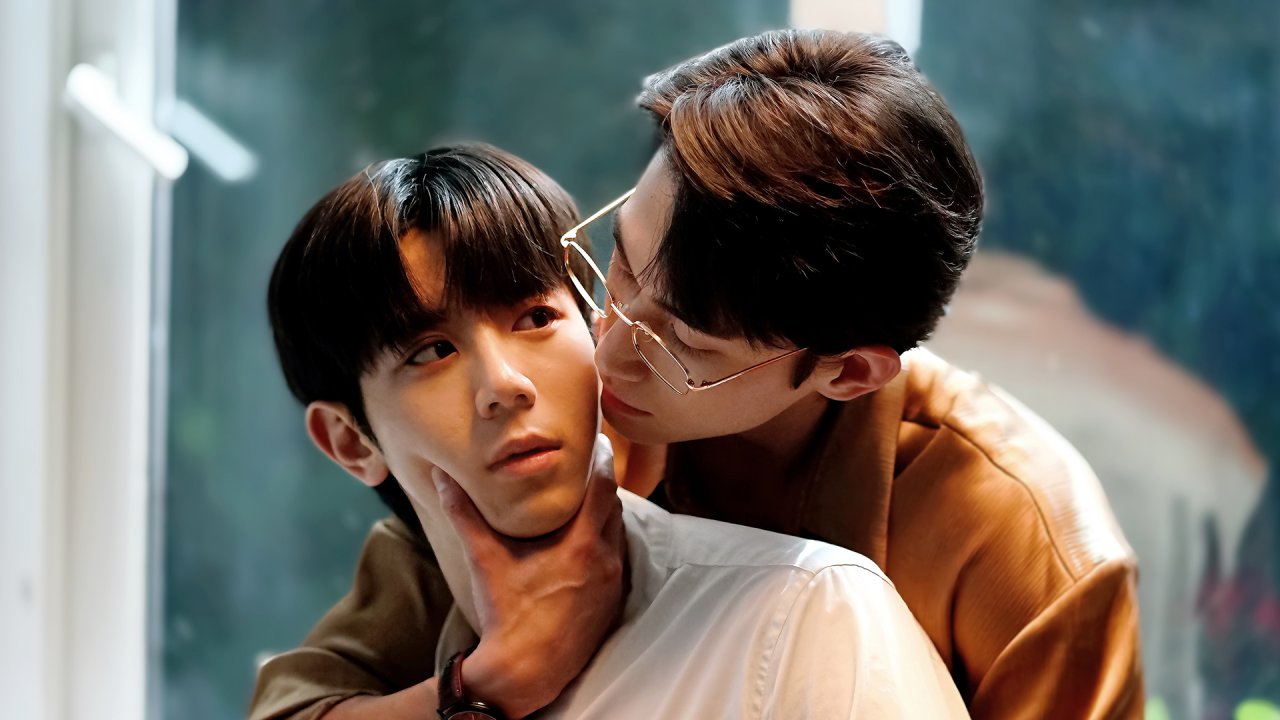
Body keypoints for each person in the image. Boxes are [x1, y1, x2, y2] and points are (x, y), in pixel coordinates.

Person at [252, 30, 1143, 720]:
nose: (606, 348)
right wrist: (490, 684)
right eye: (616, 262)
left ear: (847, 371)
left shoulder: (1031, 552)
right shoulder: (543, 423)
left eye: (681, 342)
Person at [258, 143, 968, 719]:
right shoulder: (407, 600)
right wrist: (487, 687)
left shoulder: (813, 616)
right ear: (350, 442)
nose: (505, 384)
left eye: (536, 317)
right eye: (431, 352)